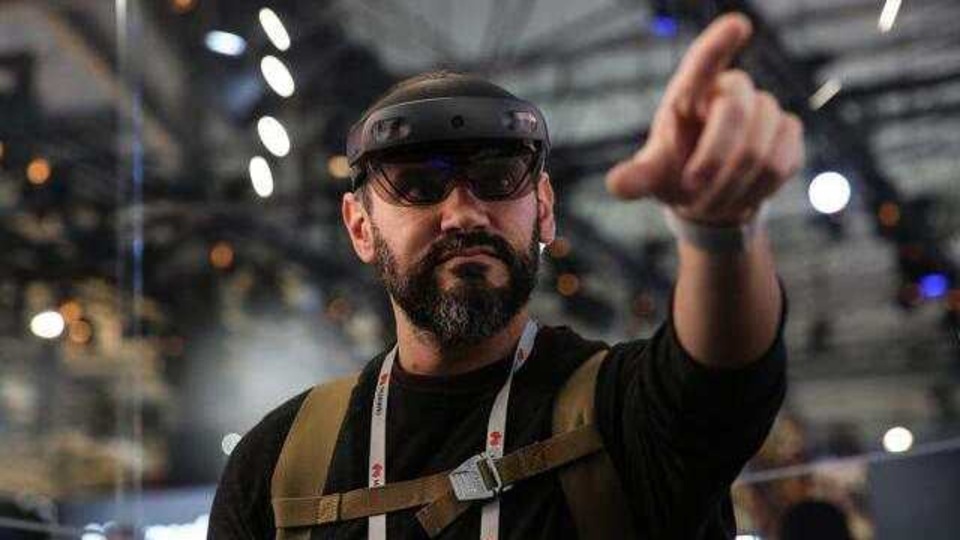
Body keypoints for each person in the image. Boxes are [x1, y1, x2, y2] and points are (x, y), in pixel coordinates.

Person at [209, 12, 804, 540]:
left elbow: (723, 375)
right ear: (360, 228)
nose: (465, 213)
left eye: (497, 180)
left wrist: (720, 229)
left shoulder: (623, 416)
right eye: (418, 187)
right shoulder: (279, 467)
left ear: (544, 207)